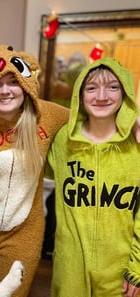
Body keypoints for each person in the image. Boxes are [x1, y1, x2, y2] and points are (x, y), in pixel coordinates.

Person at [0, 45, 70, 297]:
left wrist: (131, 120)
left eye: (13, 82)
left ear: (25, 84)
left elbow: (90, 114)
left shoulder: (47, 115)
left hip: (23, 233)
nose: (5, 91)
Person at [46, 57, 140, 297]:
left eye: (112, 87)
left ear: (125, 93)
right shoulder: (61, 140)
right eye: (91, 88)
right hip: (69, 272)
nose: (101, 96)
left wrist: (137, 269)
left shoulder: (137, 146)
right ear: (79, 94)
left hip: (119, 276)